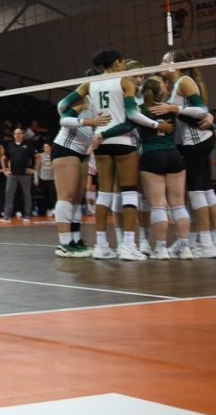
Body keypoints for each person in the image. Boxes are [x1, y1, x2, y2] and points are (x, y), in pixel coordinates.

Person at [60, 49, 166, 260]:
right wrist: (157, 124)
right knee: (128, 193)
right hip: (123, 140)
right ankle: (128, 245)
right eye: (123, 61)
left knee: (104, 194)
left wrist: (84, 118)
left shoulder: (90, 84)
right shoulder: (125, 81)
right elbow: (132, 115)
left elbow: (62, 106)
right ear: (117, 63)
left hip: (100, 141)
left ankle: (101, 246)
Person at [155, 50, 216, 258]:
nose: (161, 65)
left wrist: (173, 108)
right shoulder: (177, 84)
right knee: (206, 192)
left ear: (175, 64)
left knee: (197, 192)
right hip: (192, 142)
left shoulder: (184, 80)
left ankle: (206, 242)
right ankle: (202, 240)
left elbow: (202, 110)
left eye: (165, 62)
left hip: (196, 142)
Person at [137, 76, 193, 259]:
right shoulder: (170, 108)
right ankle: (184, 248)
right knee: (178, 204)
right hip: (173, 155)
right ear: (162, 91)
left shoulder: (141, 110)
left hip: (152, 155)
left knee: (158, 205)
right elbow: (195, 115)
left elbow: (127, 123)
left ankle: (161, 249)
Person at [51, 89, 109, 257]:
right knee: (66, 196)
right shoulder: (84, 101)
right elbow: (64, 120)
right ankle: (64, 243)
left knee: (78, 198)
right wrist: (91, 120)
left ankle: (75, 240)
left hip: (82, 152)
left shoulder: (100, 104)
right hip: (65, 149)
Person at [0, 127, 36, 223]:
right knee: (9, 195)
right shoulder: (10, 145)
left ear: (23, 135)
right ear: (13, 135)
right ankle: (7, 216)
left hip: (25, 175)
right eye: (16, 133)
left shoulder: (28, 145)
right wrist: (4, 170)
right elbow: (3, 158)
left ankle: (27, 216)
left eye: (19, 133)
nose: (17, 135)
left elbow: (38, 157)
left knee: (27, 195)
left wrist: (35, 169)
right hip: (12, 175)